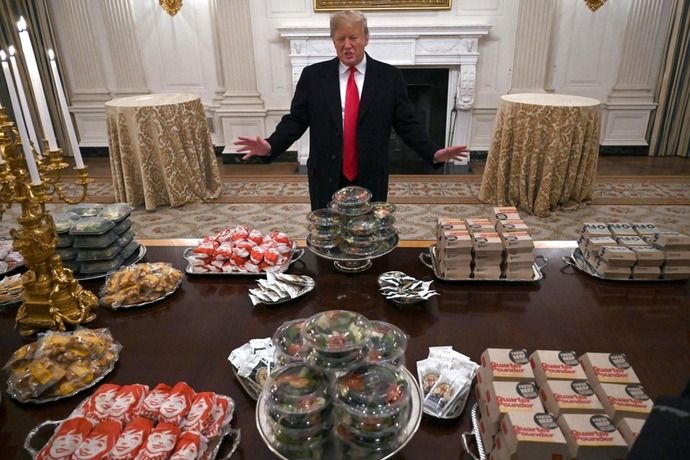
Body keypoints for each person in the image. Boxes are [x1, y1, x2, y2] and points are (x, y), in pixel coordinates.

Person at [235, 9, 469, 211]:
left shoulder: (389, 77)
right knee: (328, 236)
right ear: (333, 40)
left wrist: (433, 152)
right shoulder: (313, 77)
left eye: (353, 37)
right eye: (340, 38)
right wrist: (270, 145)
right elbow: (295, 120)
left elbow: (407, 124)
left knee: (368, 236)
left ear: (366, 38)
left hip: (371, 174)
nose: (347, 45)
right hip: (326, 173)